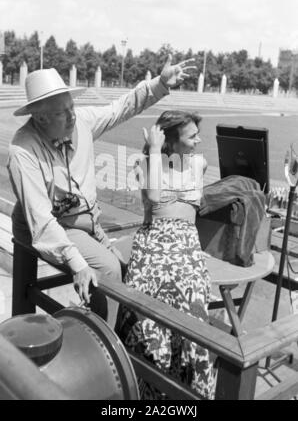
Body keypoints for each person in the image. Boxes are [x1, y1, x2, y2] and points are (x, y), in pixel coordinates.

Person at [7, 56, 195, 329]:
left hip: (86, 221)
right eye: (62, 112)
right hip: (53, 225)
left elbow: (120, 108)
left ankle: (117, 330)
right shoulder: (22, 150)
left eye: (72, 106)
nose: (72, 115)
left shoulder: (79, 122)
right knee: (108, 268)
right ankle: (106, 349)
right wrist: (78, 263)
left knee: (128, 265)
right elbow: (42, 221)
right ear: (40, 117)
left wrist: (160, 82)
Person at [119, 110, 215, 399]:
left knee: (194, 315)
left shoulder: (200, 163)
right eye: (192, 136)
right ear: (171, 142)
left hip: (186, 243)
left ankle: (189, 392)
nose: (199, 140)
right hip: (153, 242)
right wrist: (154, 150)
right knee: (144, 318)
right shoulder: (146, 164)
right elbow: (154, 197)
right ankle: (145, 392)